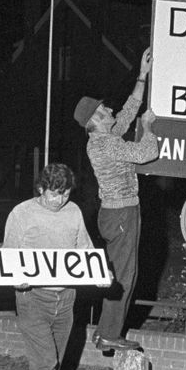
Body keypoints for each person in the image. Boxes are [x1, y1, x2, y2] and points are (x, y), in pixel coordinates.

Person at [3, 163, 95, 370]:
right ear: (41, 189)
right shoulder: (22, 213)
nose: (60, 200)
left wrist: (99, 272)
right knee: (45, 362)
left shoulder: (74, 212)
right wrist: (15, 280)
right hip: (33, 298)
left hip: (65, 298)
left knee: (50, 362)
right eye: (53, 194)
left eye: (65, 193)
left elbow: (85, 250)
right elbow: (9, 255)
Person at [76, 48, 159, 354]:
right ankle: (110, 334)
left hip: (118, 212)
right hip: (122, 214)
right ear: (94, 122)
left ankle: (104, 332)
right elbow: (145, 154)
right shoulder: (105, 144)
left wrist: (142, 75)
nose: (108, 109)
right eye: (102, 110)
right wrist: (149, 129)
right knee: (125, 277)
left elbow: (127, 112)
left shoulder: (104, 137)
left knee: (122, 275)